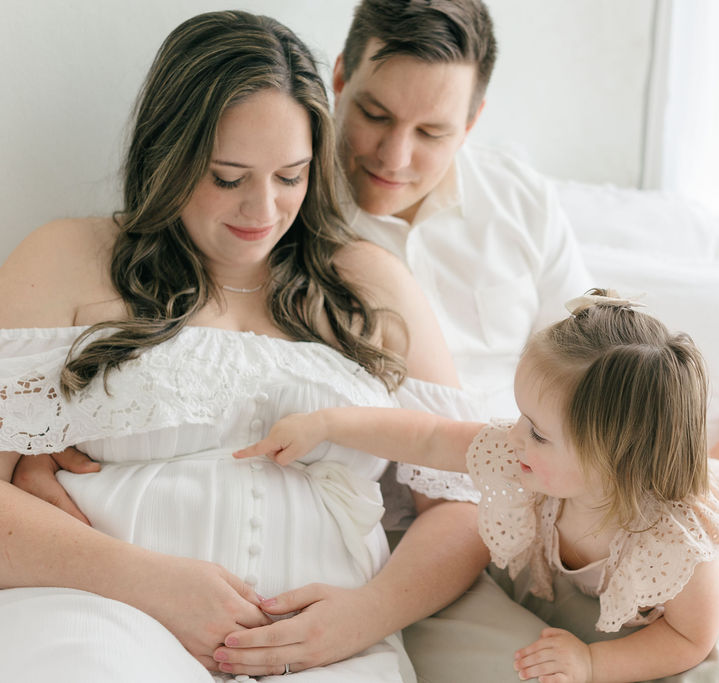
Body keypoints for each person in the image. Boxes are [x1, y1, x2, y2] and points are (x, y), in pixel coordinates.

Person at [0, 10, 486, 681]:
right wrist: (148, 582)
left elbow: (463, 502)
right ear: (167, 154)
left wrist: (366, 614)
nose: (262, 212)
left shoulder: (370, 284)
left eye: (290, 176)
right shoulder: (66, 259)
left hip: (329, 647)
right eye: (227, 177)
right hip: (105, 617)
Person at [235, 289, 719, 683]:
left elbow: (692, 636)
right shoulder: (539, 459)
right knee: (708, 476)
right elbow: (432, 436)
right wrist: (331, 419)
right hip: (664, 482)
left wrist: (596, 662)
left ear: (613, 464)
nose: (511, 435)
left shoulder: (674, 547)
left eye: (535, 428)